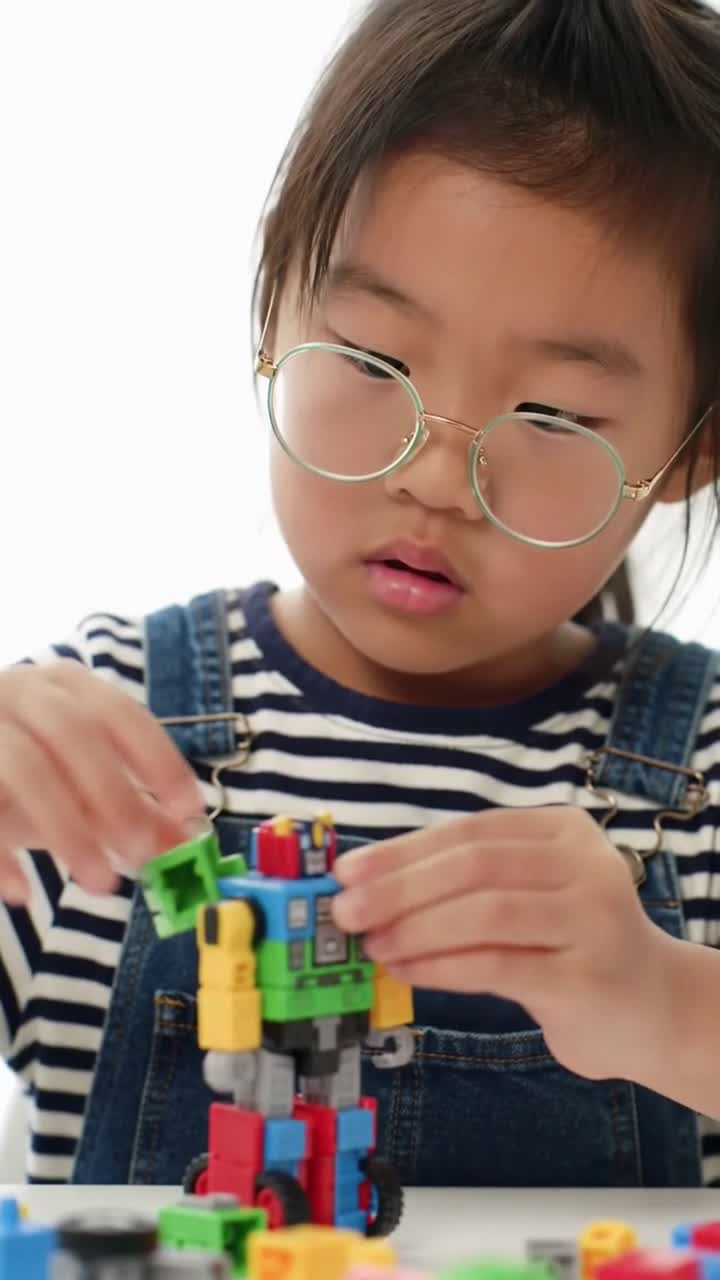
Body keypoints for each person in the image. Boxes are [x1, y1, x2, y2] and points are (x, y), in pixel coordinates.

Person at [1, 0, 719, 1190]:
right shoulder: (107, 747)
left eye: (551, 417)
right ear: (273, 316)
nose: (436, 476)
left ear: (690, 451)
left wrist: (665, 1004)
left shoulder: (696, 780)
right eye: (377, 361)